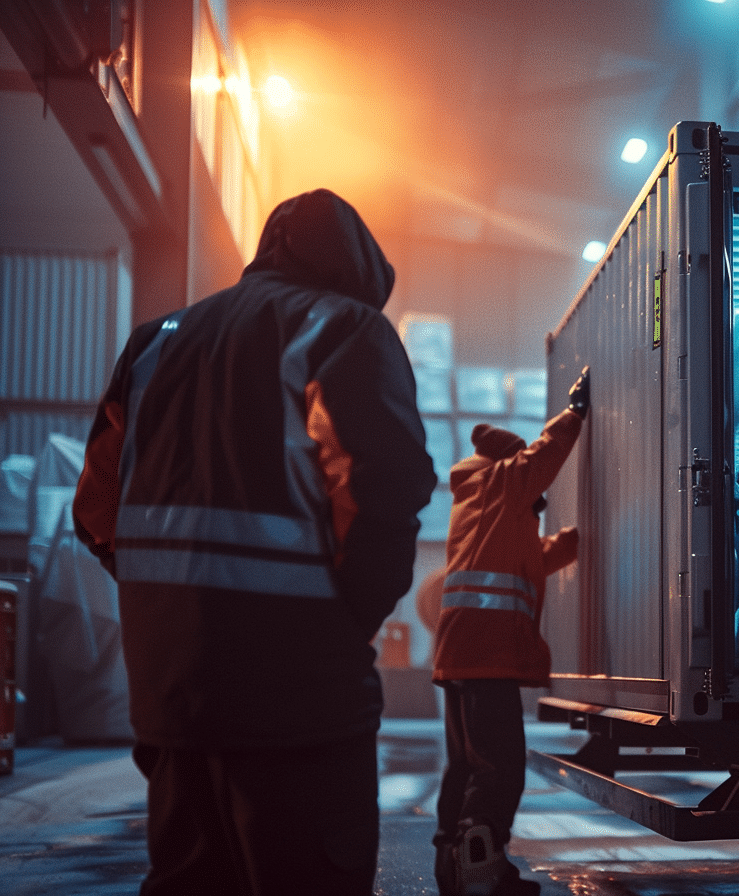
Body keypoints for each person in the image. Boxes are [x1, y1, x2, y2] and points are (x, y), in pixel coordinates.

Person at [72, 188, 437, 896]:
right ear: (359, 270)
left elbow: (96, 510)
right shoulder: (345, 328)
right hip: (300, 697)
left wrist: (166, 609)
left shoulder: (154, 342)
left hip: (170, 693)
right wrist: (348, 620)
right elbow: (386, 486)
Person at [427, 366, 590, 896]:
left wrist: (580, 539)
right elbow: (537, 461)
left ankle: (455, 867)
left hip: (462, 654)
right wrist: (574, 414)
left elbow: (532, 560)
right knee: (500, 768)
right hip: (486, 651)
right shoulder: (498, 483)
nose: (538, 502)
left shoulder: (481, 508)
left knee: (466, 767)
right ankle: (481, 872)